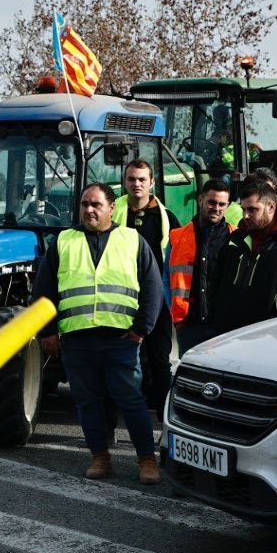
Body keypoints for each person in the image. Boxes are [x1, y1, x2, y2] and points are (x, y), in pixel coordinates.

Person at [32, 183, 163, 483]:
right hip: (78, 340)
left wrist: (142, 328)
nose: (89, 210)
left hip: (121, 339)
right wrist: (48, 332)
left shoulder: (132, 239)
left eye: (96, 205)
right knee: (88, 402)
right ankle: (100, 458)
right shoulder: (64, 240)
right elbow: (44, 290)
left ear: (111, 208)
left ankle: (146, 460)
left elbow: (153, 287)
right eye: (84, 204)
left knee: (131, 400)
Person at [110, 159, 181, 422]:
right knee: (126, 358)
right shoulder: (114, 214)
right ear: (125, 182)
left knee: (159, 358)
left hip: (157, 299)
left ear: (152, 183)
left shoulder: (167, 219)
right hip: (121, 297)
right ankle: (128, 411)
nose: (136, 184)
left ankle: (163, 413)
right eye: (131, 179)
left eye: (142, 179)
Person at [212, 177, 277, 332]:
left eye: (252, 209)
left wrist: (274, 329)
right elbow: (217, 284)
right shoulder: (236, 239)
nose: (245, 216)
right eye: (244, 210)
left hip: (269, 338)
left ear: (271, 207)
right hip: (229, 336)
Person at [169, 178, 234, 353]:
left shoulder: (235, 237)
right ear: (200, 200)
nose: (217, 208)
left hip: (224, 325)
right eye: (212, 202)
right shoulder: (177, 237)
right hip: (189, 325)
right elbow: (164, 278)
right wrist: (177, 319)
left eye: (222, 204)